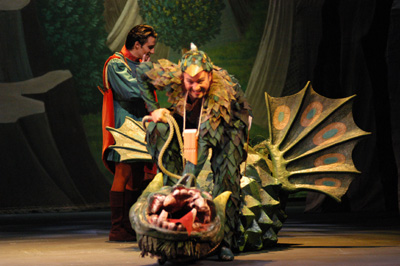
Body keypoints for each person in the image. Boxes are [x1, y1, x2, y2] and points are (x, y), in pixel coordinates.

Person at [138, 45, 252, 260]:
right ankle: (171, 218)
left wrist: (185, 185)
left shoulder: (221, 92)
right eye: (190, 82)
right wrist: (154, 109)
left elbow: (202, 145)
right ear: (181, 77)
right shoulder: (173, 76)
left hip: (229, 127)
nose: (196, 87)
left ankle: (225, 241)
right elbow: (141, 72)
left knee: (226, 177)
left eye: (201, 81)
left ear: (210, 75)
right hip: (193, 119)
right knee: (157, 129)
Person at [100, 24, 159, 241]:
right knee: (123, 173)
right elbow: (133, 92)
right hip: (124, 126)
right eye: (149, 47)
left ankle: (130, 224)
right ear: (137, 45)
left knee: (136, 175)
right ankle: (117, 228)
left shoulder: (138, 63)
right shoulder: (116, 64)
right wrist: (146, 75)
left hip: (140, 126)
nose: (152, 52)